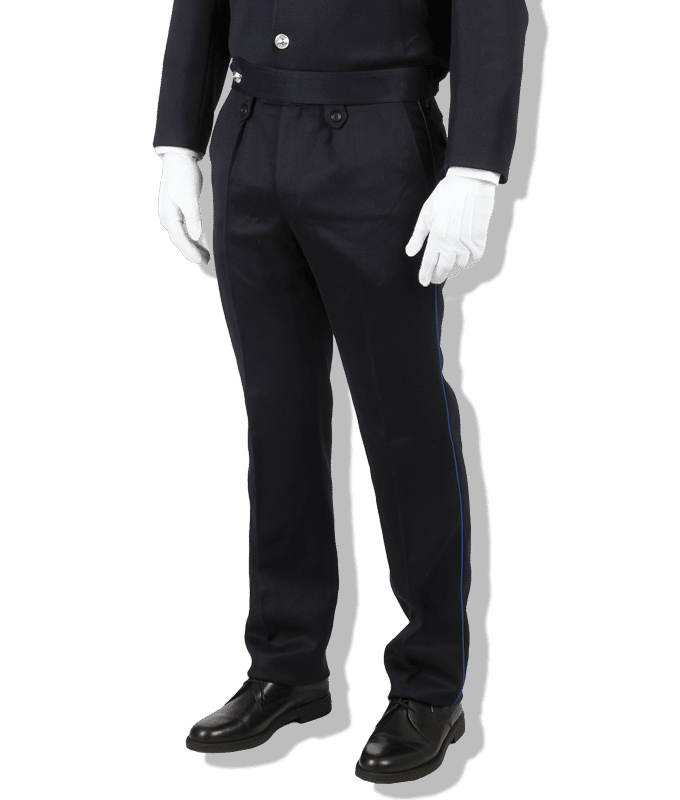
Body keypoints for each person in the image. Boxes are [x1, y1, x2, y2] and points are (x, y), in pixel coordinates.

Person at [152, 0, 528, 784]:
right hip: (249, 131)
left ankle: (431, 684)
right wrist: (179, 143)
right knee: (277, 419)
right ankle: (287, 667)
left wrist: (475, 168)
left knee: (404, 424)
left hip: (377, 143)